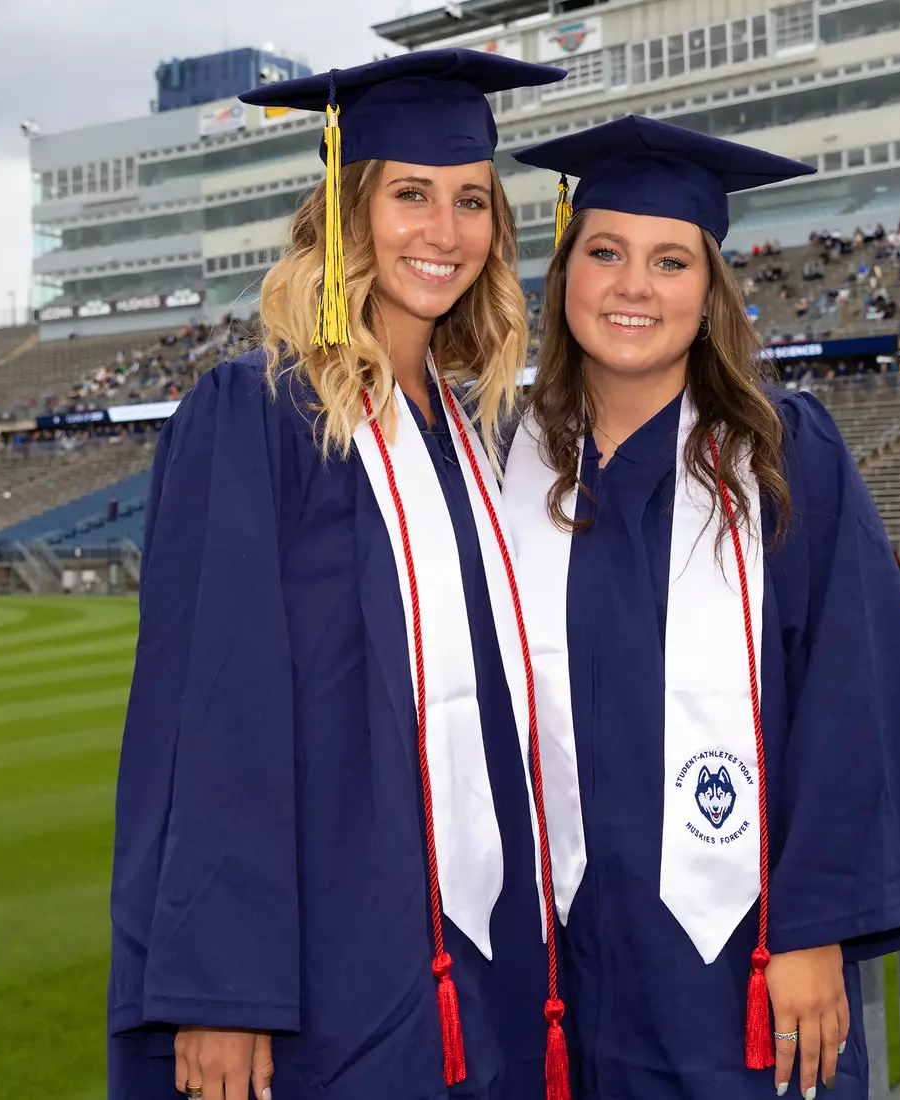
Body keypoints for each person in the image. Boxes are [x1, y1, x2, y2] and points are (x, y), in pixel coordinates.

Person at [108, 50, 572, 1100]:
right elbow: (210, 714)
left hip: (482, 951)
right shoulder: (256, 415)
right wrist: (221, 985)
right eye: (409, 194)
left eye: (468, 201)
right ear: (346, 208)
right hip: (327, 959)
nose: (442, 231)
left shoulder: (468, 435)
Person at [503, 115, 900, 1100]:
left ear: (709, 289)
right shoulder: (508, 464)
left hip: (743, 955)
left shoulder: (783, 456)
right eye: (605, 252)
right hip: (560, 960)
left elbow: (852, 699)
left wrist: (813, 927)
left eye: (671, 260)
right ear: (565, 277)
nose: (634, 286)